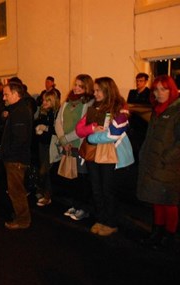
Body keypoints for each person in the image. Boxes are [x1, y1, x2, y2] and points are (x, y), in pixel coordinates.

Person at [76, 76, 134, 236]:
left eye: (97, 90)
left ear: (107, 90)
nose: (94, 94)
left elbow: (114, 133)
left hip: (112, 156)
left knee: (108, 190)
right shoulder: (95, 107)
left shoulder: (120, 107)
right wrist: (92, 129)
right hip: (94, 155)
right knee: (96, 189)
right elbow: (79, 128)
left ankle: (111, 222)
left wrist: (91, 137)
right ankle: (101, 219)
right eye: (94, 90)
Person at [137, 75, 180, 250]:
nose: (159, 93)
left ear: (172, 90)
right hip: (153, 163)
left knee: (169, 202)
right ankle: (156, 233)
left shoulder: (177, 110)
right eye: (156, 89)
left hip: (168, 166)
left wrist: (165, 159)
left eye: (164, 89)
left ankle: (169, 237)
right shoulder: (157, 110)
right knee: (157, 200)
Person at [55, 74, 94, 221]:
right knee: (71, 178)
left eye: (80, 86)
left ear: (87, 88)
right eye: (75, 84)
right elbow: (58, 121)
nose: (76, 88)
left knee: (82, 180)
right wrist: (63, 141)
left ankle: (83, 208)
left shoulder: (89, 103)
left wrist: (67, 139)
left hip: (80, 146)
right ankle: (75, 205)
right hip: (67, 146)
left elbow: (84, 128)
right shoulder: (67, 102)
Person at [0, 82, 33, 230]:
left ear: (15, 94)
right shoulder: (16, 110)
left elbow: (20, 138)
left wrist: (8, 154)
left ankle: (23, 220)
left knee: (17, 191)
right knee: (16, 190)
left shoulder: (20, 112)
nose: (4, 97)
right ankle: (20, 216)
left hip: (16, 159)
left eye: (6, 94)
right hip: (14, 158)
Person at [33, 90, 60, 206]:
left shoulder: (57, 113)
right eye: (44, 100)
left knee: (45, 170)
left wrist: (46, 128)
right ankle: (43, 192)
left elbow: (57, 130)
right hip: (42, 144)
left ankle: (47, 195)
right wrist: (37, 128)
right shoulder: (42, 112)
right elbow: (36, 124)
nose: (44, 102)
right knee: (43, 169)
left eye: (47, 100)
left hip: (52, 144)